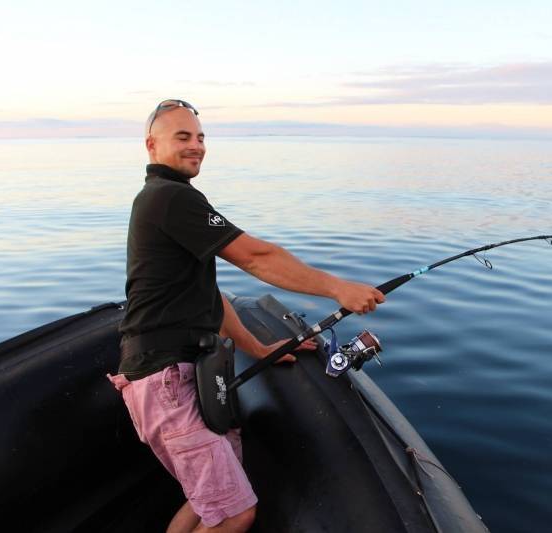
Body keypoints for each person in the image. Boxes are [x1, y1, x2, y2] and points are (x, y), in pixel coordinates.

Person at [107, 99, 385, 533]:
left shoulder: (171, 199)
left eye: (200, 137)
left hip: (179, 375)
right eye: (183, 137)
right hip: (166, 382)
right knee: (235, 513)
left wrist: (258, 348)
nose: (196, 145)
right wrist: (338, 289)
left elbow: (207, 293)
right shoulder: (169, 198)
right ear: (151, 144)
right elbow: (257, 257)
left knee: (209, 503)